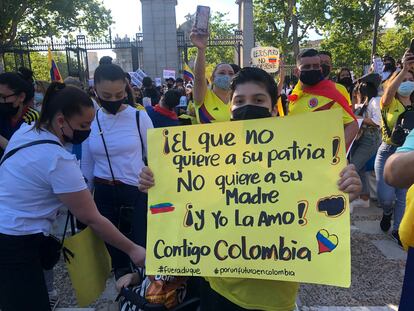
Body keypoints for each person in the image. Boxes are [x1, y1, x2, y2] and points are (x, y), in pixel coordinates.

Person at [137, 67, 362, 311]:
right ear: (230, 108)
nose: (248, 106)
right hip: (218, 284)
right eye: (240, 101)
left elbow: (322, 206)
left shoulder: (301, 153)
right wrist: (158, 184)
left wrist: (346, 188)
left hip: (274, 294)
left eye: (258, 100)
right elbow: (184, 201)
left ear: (274, 107)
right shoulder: (209, 154)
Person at [0, 83, 145, 311]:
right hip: (16, 241)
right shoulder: (57, 159)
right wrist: (133, 250)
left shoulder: (26, 132)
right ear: (60, 121)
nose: (87, 131)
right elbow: (93, 218)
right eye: (84, 125)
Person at [81, 64, 153, 279]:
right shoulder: (91, 120)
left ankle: (146, 292)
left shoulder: (139, 117)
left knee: (141, 249)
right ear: (95, 92)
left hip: (135, 192)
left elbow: (156, 157)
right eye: (106, 95)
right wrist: (84, 199)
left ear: (126, 90)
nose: (113, 99)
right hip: (102, 195)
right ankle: (124, 295)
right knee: (117, 256)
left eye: (119, 94)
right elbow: (87, 162)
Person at [375, 50, 414, 244]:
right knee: (386, 197)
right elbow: (389, 92)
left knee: (403, 196)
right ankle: (386, 212)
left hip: (409, 155)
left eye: (410, 78)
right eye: (403, 79)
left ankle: (398, 230)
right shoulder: (388, 103)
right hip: (388, 152)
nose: (407, 81)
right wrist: (404, 68)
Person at [288, 49, 359, 149]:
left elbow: (353, 125)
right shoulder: (296, 91)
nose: (312, 69)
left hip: (319, 158)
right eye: (307, 67)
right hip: (297, 154)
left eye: (316, 66)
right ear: (296, 71)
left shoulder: (331, 94)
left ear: (320, 69)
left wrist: (332, 151)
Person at [349, 74, 382, 209]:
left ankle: (350, 198)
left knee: (353, 166)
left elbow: (377, 122)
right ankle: (364, 198)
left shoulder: (375, 101)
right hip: (362, 138)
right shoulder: (366, 101)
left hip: (370, 139)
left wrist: (357, 117)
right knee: (360, 169)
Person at [190, 26, 235, 124]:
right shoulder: (203, 97)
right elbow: (199, 76)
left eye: (231, 73)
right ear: (212, 78)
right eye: (222, 73)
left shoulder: (238, 98)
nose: (227, 76)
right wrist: (201, 49)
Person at [0, 72, 38, 158]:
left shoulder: (33, 118)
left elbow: (23, 153)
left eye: (3, 97)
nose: (1, 101)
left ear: (21, 97)